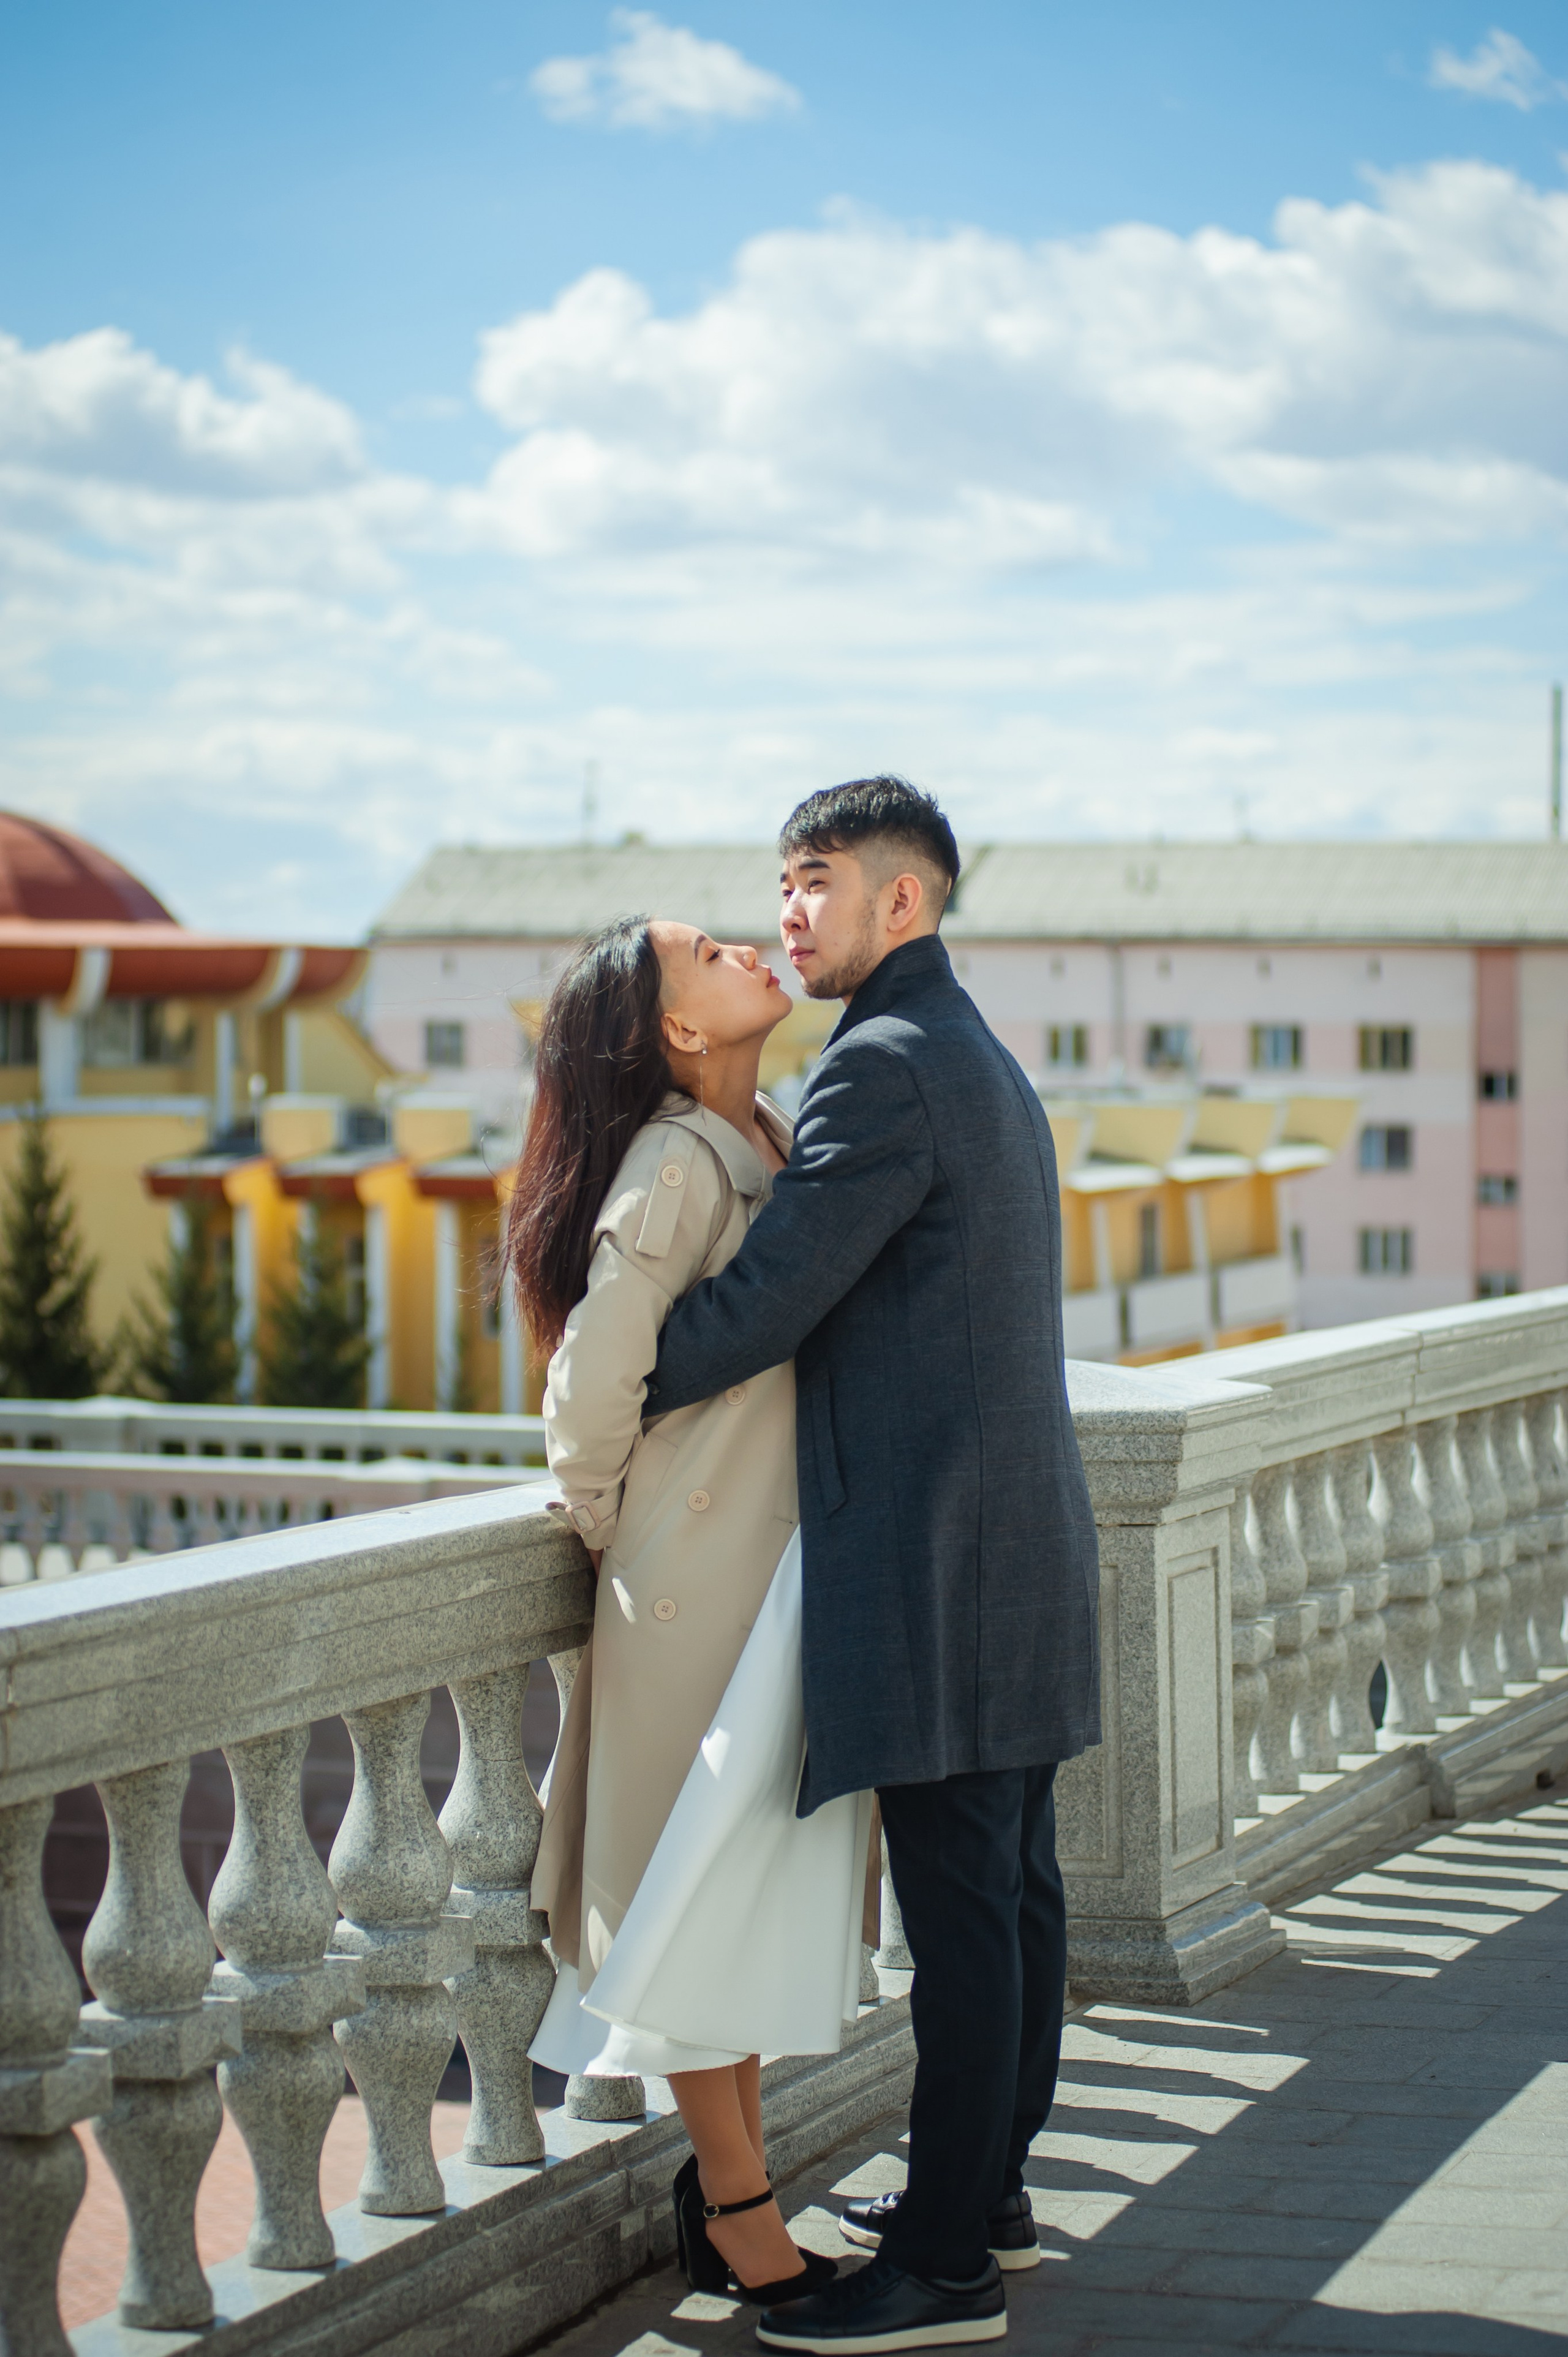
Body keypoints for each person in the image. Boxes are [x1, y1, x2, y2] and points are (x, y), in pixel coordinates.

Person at [646, 777, 1101, 2355]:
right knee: (1011, 1899)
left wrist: (613, 1363)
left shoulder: (882, 1070)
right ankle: (985, 2204)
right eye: (778, 880)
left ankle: (940, 2270)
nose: (787, 911)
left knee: (971, 1915)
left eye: (814, 880)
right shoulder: (966, 1051)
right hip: (1007, 1546)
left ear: (899, 903)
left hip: (938, 1562)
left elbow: (770, 1298)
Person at [510, 913, 876, 2310]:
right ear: (675, 1028)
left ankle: (729, 2196)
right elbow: (591, 1375)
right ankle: (739, 2214)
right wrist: (615, 1532)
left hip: (759, 1580)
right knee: (686, 1906)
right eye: (707, 953)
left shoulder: (761, 1137)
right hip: (693, 1585)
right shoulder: (675, 1159)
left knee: (728, 1900)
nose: (745, 947)